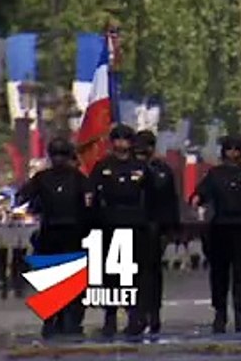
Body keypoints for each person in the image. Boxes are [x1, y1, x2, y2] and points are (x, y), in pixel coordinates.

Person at [190, 135, 241, 333]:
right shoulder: (215, 174)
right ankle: (220, 312)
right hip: (220, 227)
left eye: (236, 149)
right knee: (219, 274)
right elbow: (200, 193)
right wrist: (197, 199)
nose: (233, 153)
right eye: (229, 149)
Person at [16, 137, 90, 337]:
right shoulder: (77, 177)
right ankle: (67, 319)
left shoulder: (43, 177)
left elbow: (21, 196)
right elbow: (90, 203)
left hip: (53, 232)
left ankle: (55, 319)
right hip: (71, 233)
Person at [88, 124, 156, 337]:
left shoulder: (141, 167)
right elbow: (92, 196)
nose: (121, 144)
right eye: (117, 139)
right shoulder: (102, 166)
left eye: (125, 139)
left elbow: (153, 196)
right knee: (111, 274)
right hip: (110, 222)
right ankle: (110, 317)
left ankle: (135, 315)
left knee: (134, 273)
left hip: (136, 223)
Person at [132, 130, 180, 334]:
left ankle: (153, 313)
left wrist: (172, 229)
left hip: (154, 227)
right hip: (130, 225)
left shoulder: (161, 170)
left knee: (152, 273)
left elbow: (169, 198)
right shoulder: (127, 169)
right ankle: (136, 314)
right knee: (131, 274)